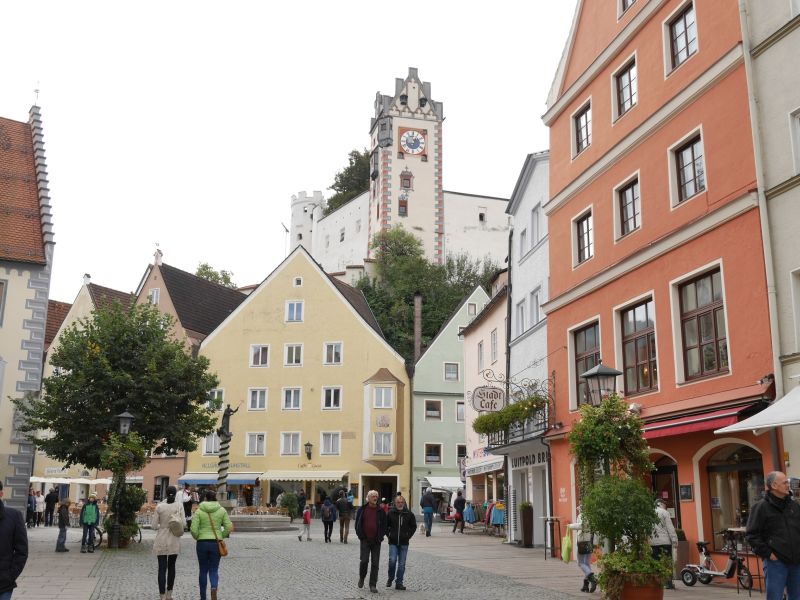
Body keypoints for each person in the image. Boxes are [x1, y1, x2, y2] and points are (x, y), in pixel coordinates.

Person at [746, 471, 800, 600]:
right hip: (776, 563)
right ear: (774, 486)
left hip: (797, 562)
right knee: (775, 597)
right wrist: (769, 554)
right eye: (785, 482)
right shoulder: (760, 507)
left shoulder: (794, 506)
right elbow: (752, 535)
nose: (788, 485)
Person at [190, 489, 232, 600]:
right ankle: (214, 587)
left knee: (203, 569)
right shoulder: (222, 510)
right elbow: (229, 527)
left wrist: (198, 536)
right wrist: (221, 536)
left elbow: (193, 529)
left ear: (205, 498)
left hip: (202, 543)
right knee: (214, 569)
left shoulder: (199, 511)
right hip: (215, 543)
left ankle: (203, 597)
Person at [154, 486, 186, 600]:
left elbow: (153, 525)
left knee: (161, 568)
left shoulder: (159, 506)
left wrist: (162, 525)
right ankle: (169, 595)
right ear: (175, 493)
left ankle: (162, 596)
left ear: (166, 493)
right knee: (172, 567)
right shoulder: (179, 505)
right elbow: (184, 524)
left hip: (161, 538)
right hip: (174, 538)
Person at [355, 489, 387, 593]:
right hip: (365, 539)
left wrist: (381, 536)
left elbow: (384, 525)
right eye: (373, 496)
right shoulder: (362, 509)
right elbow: (357, 524)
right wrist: (360, 536)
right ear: (368, 498)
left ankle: (373, 584)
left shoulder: (381, 511)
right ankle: (362, 577)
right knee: (364, 561)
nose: (375, 498)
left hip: (376, 540)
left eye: (376, 496)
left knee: (375, 563)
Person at [0, 481, 28, 600]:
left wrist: (10, 575)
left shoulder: (14, 516)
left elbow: (22, 551)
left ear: (1, 493)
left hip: (3, 584)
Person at [385, 495, 416, 591]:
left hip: (404, 542)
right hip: (393, 542)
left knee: (402, 564)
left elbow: (413, 526)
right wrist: (389, 535)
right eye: (398, 502)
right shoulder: (390, 513)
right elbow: (385, 526)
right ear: (395, 503)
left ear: (404, 503)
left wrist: (408, 535)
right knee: (392, 561)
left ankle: (399, 583)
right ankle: (390, 577)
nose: (400, 504)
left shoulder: (409, 514)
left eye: (402, 502)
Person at [567, 505, 597, 593]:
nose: (578, 510)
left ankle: (591, 577)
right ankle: (586, 585)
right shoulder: (592, 515)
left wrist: (570, 526)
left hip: (582, 541)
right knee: (587, 563)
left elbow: (581, 525)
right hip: (590, 541)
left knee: (580, 563)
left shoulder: (582, 515)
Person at [650, 499, 677, 589]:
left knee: (655, 562)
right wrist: (674, 540)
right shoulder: (664, 513)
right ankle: (668, 583)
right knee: (667, 562)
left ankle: (657, 583)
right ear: (660, 504)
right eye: (664, 505)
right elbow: (670, 528)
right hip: (665, 542)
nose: (665, 506)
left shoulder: (649, 513)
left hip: (653, 542)